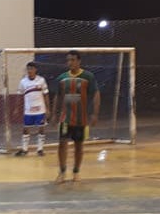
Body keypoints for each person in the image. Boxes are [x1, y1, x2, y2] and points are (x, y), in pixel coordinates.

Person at [51, 50, 99, 183]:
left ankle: (76, 172)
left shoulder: (88, 76)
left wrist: (95, 113)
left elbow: (96, 94)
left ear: (79, 61)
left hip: (80, 118)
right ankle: (62, 172)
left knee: (79, 145)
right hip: (65, 118)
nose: (70, 62)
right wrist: (54, 114)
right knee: (62, 143)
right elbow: (57, 96)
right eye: (68, 60)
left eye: (72, 60)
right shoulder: (62, 78)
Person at [16, 62, 49, 156]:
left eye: (31, 69)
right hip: (28, 110)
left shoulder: (41, 80)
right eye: (28, 69)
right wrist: (17, 108)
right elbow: (19, 95)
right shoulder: (23, 81)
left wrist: (48, 109)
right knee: (26, 128)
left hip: (40, 109)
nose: (29, 71)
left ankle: (40, 149)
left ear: (35, 70)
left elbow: (46, 94)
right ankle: (24, 149)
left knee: (41, 128)